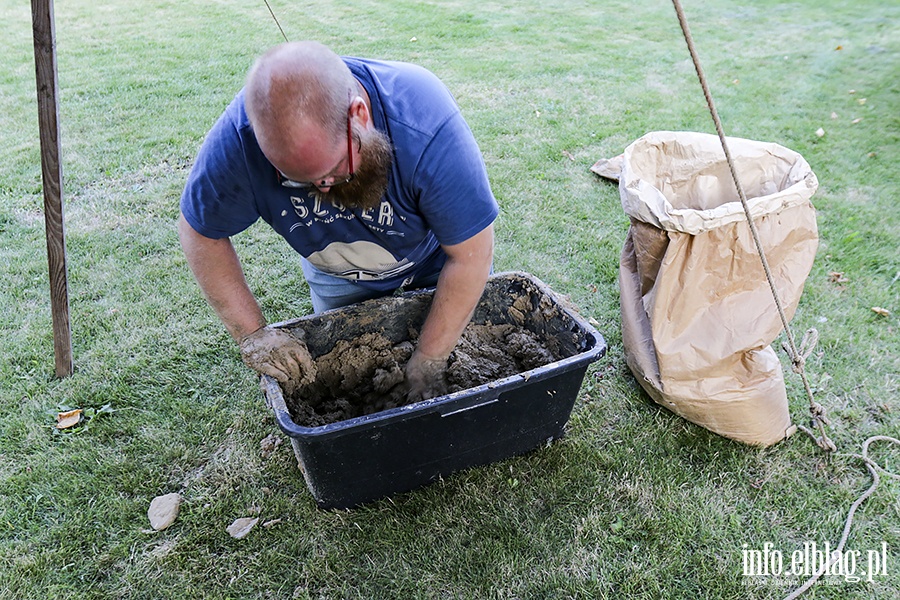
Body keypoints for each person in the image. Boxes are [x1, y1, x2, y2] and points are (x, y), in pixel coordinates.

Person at [178, 41, 498, 401]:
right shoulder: (239, 144)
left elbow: (471, 257)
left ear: (359, 114)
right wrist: (253, 333)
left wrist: (429, 359)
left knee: (446, 334)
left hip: (435, 262)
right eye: (300, 181)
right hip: (337, 270)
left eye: (331, 173)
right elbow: (200, 231)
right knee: (346, 361)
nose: (323, 190)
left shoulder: (424, 123)